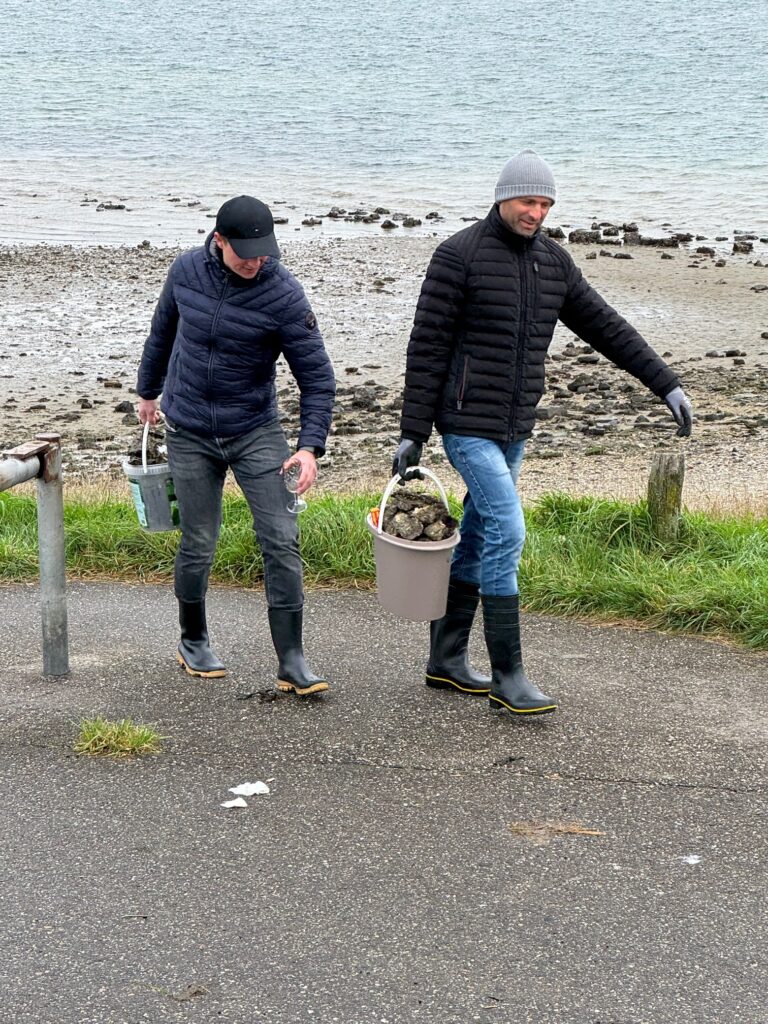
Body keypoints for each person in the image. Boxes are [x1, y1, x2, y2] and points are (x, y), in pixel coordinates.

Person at [392, 150, 693, 717]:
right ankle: (509, 676)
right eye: (529, 201)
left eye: (546, 203)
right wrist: (414, 430)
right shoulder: (458, 255)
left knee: (481, 535)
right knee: (508, 530)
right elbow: (427, 346)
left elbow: (607, 326)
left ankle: (446, 661)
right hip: (466, 426)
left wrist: (666, 384)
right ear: (504, 197)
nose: (538, 212)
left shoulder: (553, 263)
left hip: (514, 426)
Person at [136, 195, 336, 695]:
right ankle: (193, 640)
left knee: (280, 537)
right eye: (244, 251)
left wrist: (309, 446)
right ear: (218, 240)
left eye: (263, 251)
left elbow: (317, 378)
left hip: (254, 430)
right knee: (199, 541)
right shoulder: (186, 271)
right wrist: (147, 391)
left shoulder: (284, 294)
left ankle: (291, 660)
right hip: (188, 430)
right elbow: (163, 331)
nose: (255, 260)